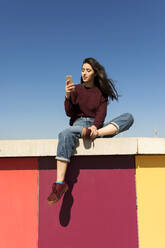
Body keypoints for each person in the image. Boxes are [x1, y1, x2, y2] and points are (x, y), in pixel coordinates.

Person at [47, 57, 134, 205]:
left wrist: (95, 128)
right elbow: (69, 112)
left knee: (128, 117)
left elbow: (102, 113)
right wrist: (68, 96)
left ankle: (97, 134)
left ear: (94, 73)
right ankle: (60, 184)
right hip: (79, 126)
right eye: (82, 70)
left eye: (88, 70)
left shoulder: (101, 93)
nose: (84, 73)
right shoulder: (76, 89)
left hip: (97, 127)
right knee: (65, 134)